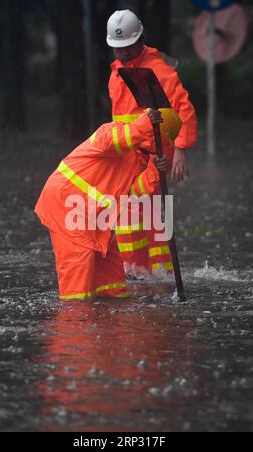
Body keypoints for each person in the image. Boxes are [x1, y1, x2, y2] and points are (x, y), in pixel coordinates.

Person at [35, 109, 173, 301]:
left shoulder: (143, 158)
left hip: (97, 220)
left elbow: (133, 194)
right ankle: (75, 324)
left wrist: (155, 171)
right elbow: (111, 142)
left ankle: (107, 324)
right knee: (77, 291)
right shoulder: (113, 132)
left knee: (113, 284)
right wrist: (143, 125)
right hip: (67, 208)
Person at [107, 10, 198, 277]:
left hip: (153, 156)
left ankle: (153, 275)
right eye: (117, 49)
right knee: (129, 216)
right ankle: (136, 272)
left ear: (140, 40)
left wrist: (181, 149)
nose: (122, 54)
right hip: (127, 157)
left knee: (142, 213)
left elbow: (184, 110)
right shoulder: (117, 71)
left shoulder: (158, 70)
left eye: (127, 48)